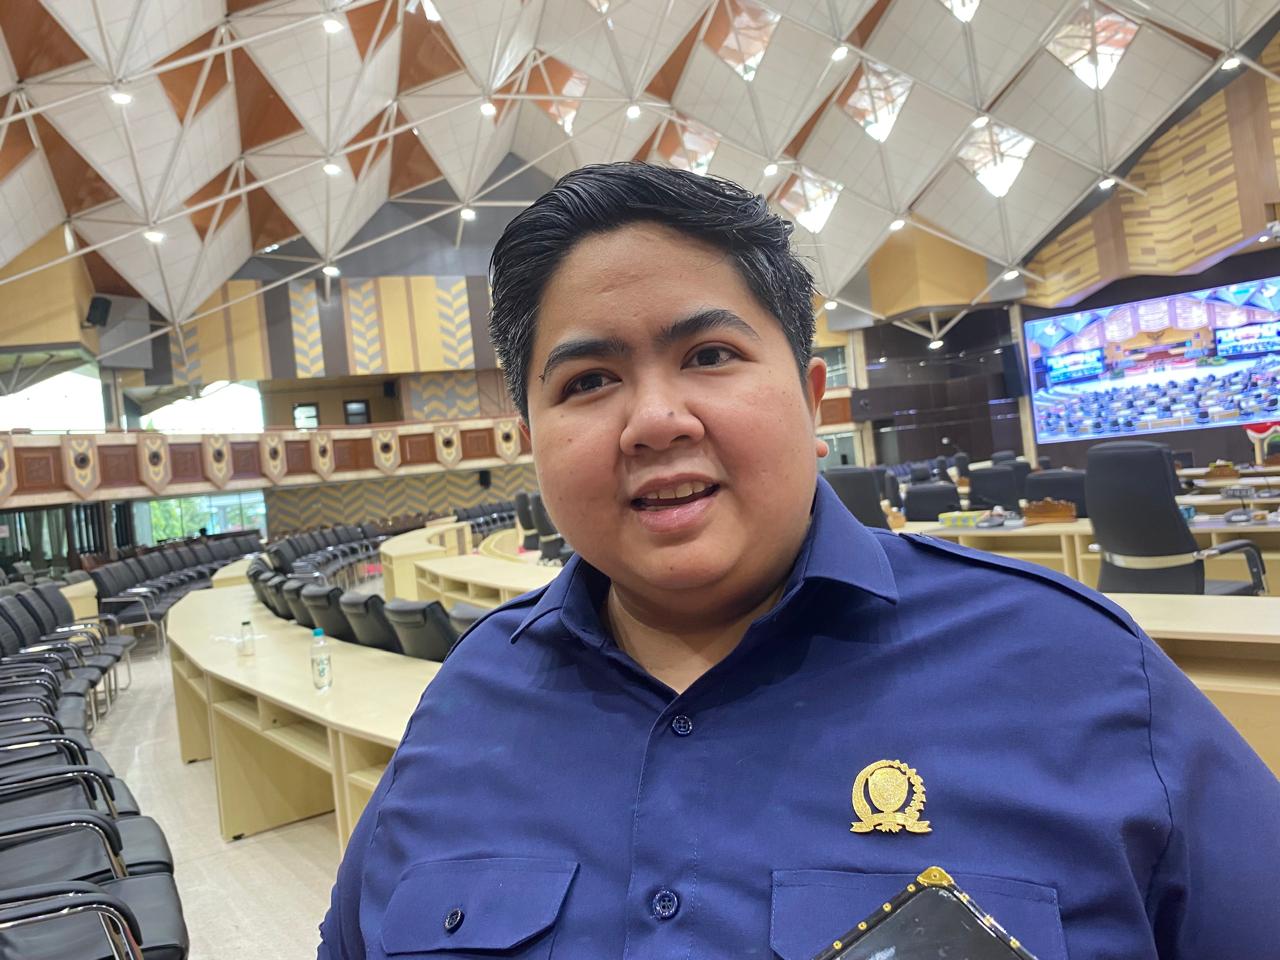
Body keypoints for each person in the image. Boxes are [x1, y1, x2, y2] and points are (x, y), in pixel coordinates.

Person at [318, 163, 1279, 959]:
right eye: (589, 380)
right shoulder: (464, 705)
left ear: (813, 398)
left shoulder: (1080, 673)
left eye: (709, 356)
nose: (655, 420)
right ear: (531, 438)